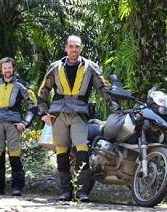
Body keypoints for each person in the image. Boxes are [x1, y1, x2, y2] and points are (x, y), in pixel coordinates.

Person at [37, 35, 116, 202]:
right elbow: (43, 90)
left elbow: (103, 88)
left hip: (79, 113)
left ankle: (82, 192)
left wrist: (114, 107)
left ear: (81, 48)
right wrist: (43, 113)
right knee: (61, 151)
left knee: (82, 148)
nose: (74, 49)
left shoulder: (90, 67)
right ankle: (65, 191)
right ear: (66, 48)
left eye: (77, 46)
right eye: (71, 46)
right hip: (58, 114)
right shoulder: (55, 67)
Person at [0, 57, 38, 196]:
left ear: (13, 68)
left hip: (13, 124)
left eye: (9, 68)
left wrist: (24, 123)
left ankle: (17, 187)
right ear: (1, 69)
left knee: (15, 153)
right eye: (5, 68)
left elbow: (33, 104)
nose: (7, 70)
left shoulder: (21, 85)